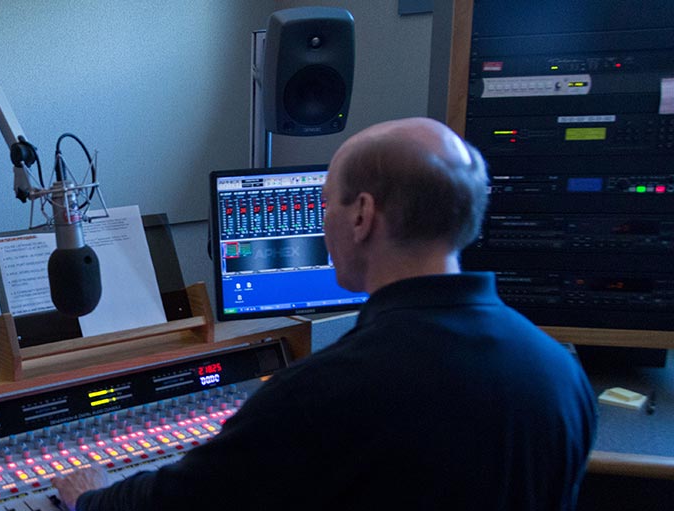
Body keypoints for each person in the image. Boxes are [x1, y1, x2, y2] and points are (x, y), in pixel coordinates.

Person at [53, 118, 598, 510]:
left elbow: (184, 500)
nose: (322, 223)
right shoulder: (560, 373)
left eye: (325, 203)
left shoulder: (323, 393)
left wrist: (94, 497)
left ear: (362, 215)